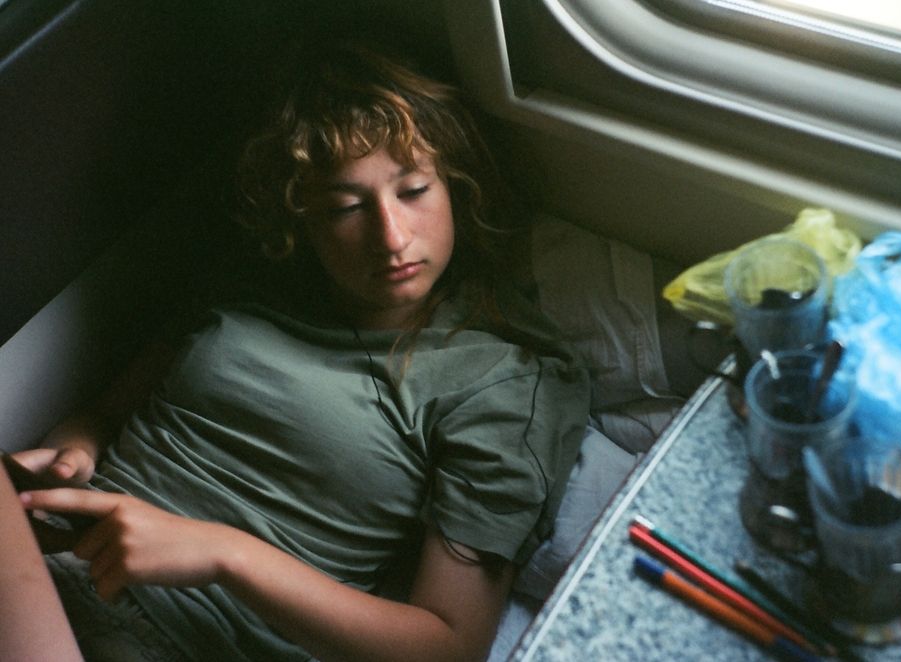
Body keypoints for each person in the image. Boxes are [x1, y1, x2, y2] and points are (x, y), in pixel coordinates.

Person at [0, 42, 589, 662]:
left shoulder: (498, 379)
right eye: (345, 207)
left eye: (414, 190)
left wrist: (224, 554)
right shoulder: (250, 287)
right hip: (49, 571)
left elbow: (448, 646)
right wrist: (74, 455)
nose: (391, 237)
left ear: (455, 188)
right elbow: (102, 417)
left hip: (177, 640)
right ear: (303, 218)